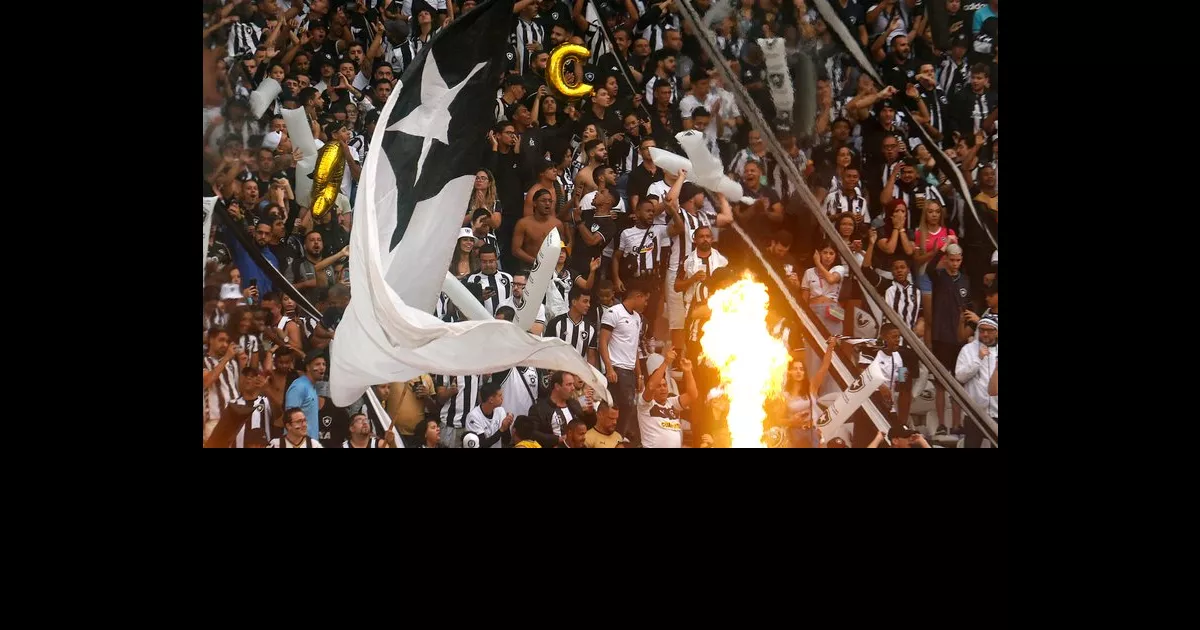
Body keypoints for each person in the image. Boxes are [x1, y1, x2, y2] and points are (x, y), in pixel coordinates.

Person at [600, 279, 650, 446]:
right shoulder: (614, 313)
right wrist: (609, 368)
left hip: (630, 371)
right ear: (638, 296)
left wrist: (639, 375)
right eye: (645, 299)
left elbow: (634, 347)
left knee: (628, 408)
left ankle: (618, 439)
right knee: (619, 408)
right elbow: (603, 342)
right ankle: (614, 440)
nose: (646, 303)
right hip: (616, 368)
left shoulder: (638, 318)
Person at [929, 242, 971, 435]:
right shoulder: (939, 277)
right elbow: (929, 267)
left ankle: (956, 424)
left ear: (962, 260)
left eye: (958, 260)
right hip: (940, 337)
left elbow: (968, 306)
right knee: (939, 383)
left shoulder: (966, 280)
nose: (955, 264)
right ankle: (940, 424)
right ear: (946, 259)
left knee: (957, 383)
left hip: (958, 339)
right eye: (951, 260)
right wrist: (943, 248)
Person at [769, 337, 840, 448]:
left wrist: (830, 348)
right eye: (795, 369)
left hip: (813, 432)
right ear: (790, 372)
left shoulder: (811, 387)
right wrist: (792, 421)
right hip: (795, 435)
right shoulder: (785, 395)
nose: (798, 371)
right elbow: (777, 419)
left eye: (801, 369)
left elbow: (824, 367)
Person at [638, 349, 698, 449]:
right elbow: (651, 386)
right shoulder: (645, 404)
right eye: (659, 386)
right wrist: (666, 362)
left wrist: (688, 371)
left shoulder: (672, 402)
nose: (663, 388)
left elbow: (692, 395)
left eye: (665, 385)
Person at [955, 314, 997, 448]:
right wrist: (977, 359)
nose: (985, 334)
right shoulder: (968, 350)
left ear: (996, 332)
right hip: (975, 413)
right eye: (982, 329)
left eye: (989, 331)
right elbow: (960, 376)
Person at [204, 328, 247, 443]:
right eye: (221, 340)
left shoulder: (232, 363)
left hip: (235, 418)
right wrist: (227, 358)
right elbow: (207, 381)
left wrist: (242, 365)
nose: (225, 344)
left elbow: (240, 389)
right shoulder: (205, 361)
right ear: (211, 340)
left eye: (227, 341)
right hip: (215, 420)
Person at [512, 190, 570, 268]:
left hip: (552, 267)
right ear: (535, 203)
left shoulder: (557, 224)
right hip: (529, 267)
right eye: (543, 201)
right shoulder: (523, 224)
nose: (547, 204)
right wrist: (536, 262)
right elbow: (516, 250)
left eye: (550, 201)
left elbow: (562, 248)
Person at [801, 241, 848, 336]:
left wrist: (818, 263)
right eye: (825, 252)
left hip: (833, 311)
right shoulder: (809, 272)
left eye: (831, 253)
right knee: (814, 345)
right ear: (818, 253)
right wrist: (804, 316)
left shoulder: (839, 269)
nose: (828, 256)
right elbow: (804, 298)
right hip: (814, 310)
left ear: (835, 256)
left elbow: (831, 279)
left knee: (833, 345)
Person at [528, 371, 586, 448]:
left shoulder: (574, 404)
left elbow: (584, 426)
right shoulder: (539, 408)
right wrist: (557, 439)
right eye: (569, 384)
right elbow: (532, 432)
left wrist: (590, 413)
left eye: (573, 384)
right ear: (557, 386)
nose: (573, 388)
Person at [545, 286, 598, 367]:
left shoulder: (591, 328)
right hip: (559, 372)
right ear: (574, 302)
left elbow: (591, 356)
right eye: (585, 301)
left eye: (589, 302)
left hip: (580, 374)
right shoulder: (555, 323)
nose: (588, 305)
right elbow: (547, 350)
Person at [434, 372, 483, 448]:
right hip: (450, 425)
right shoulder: (444, 367)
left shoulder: (476, 367)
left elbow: (480, 397)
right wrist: (450, 391)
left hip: (470, 425)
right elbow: (440, 399)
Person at [230, 366, 272, 448]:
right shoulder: (232, 404)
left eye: (252, 376)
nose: (248, 379)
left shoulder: (266, 402)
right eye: (245, 376)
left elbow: (279, 414)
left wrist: (267, 389)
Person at [466, 245, 514, 316]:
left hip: (504, 322)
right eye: (484, 262)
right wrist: (480, 298)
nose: (488, 265)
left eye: (491, 261)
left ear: (496, 260)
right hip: (482, 321)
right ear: (479, 261)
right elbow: (467, 303)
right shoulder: (473, 279)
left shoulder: (507, 277)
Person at [465, 383, 515, 449]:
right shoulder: (473, 417)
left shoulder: (500, 410)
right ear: (491, 400)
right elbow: (482, 445)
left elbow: (506, 441)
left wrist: (507, 426)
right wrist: (502, 429)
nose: (502, 398)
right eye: (500, 395)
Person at [284, 353, 321, 441]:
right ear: (308, 367)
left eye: (324, 364)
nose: (322, 367)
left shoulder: (312, 387)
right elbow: (290, 418)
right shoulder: (299, 386)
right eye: (317, 364)